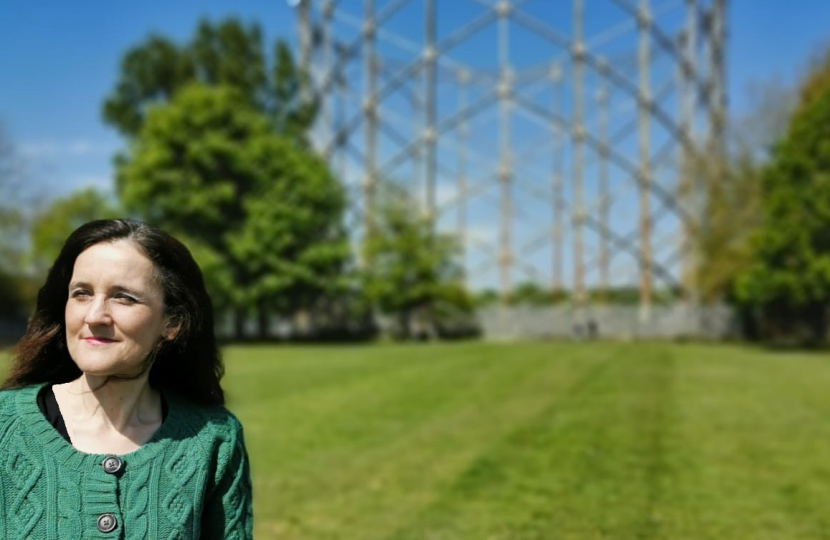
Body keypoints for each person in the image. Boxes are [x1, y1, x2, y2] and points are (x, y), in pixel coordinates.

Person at [0, 219, 253, 539]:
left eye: (124, 297)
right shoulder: (5, 426)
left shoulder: (214, 439)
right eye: (81, 293)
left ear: (171, 323)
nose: (94, 316)